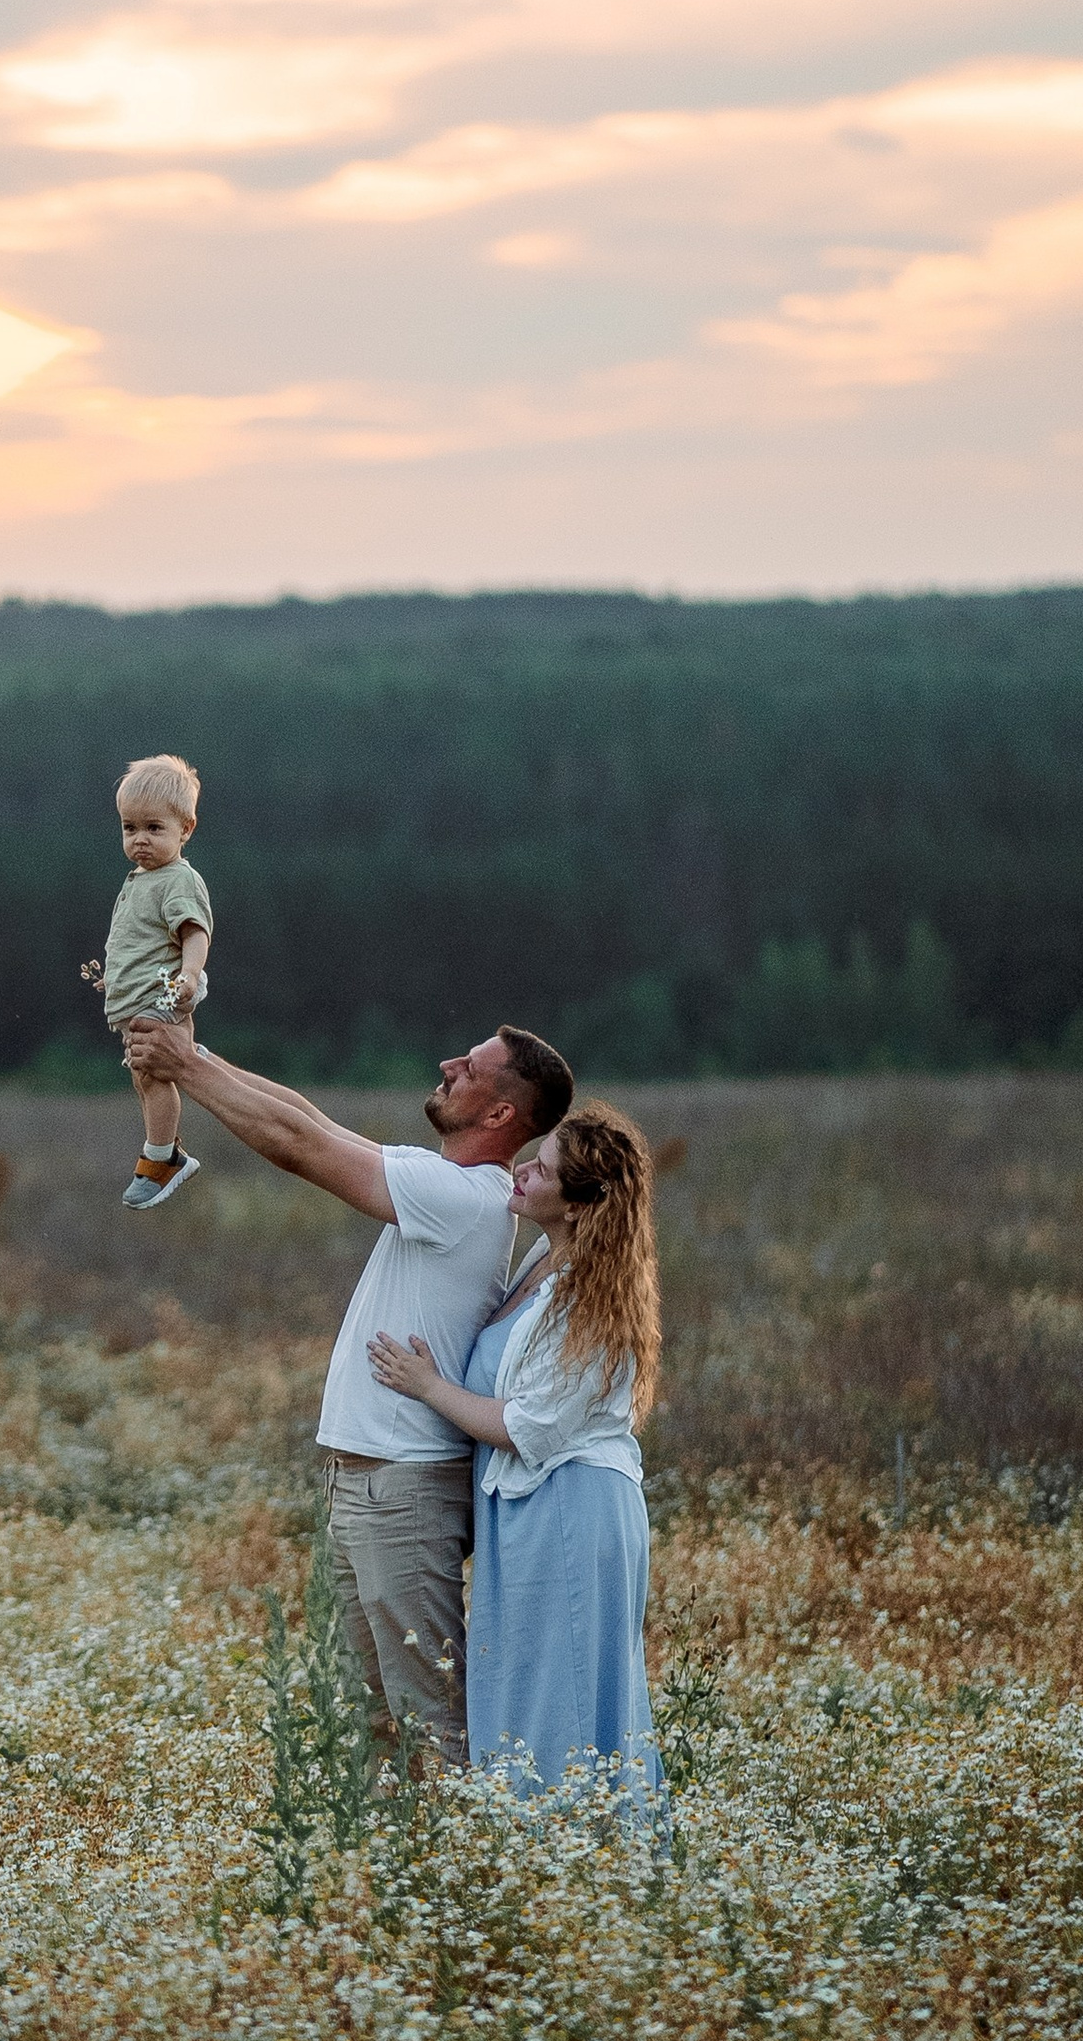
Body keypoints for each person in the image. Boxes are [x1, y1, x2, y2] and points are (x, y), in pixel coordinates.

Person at [117, 1006, 574, 1773]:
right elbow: (311, 1120)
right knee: (370, 1720)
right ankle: (380, 1885)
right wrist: (191, 1055)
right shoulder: (449, 1184)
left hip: (402, 1491)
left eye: (468, 1067)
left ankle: (460, 1875)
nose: (446, 1067)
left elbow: (299, 1147)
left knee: (426, 1719)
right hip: (368, 1483)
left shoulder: (461, 1197)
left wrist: (187, 1070)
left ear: (500, 1113)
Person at [371, 1103, 663, 1812]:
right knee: (528, 1684)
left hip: (569, 1510)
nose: (524, 1167)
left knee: (555, 1694)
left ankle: (573, 1861)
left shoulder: (590, 1298)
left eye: (545, 1168)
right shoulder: (543, 1260)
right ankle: (541, 1861)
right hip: (529, 1510)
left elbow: (526, 1427)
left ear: (579, 1202)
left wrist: (428, 1386)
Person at [83, 754, 214, 1210]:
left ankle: (162, 1159)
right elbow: (139, 942)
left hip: (164, 996)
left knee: (155, 1074)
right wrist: (115, 982)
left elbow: (193, 932)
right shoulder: (142, 879)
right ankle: (163, 1150)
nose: (139, 840)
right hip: (138, 998)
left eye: (154, 829)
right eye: (129, 828)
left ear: (186, 829)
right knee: (143, 1078)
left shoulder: (178, 880)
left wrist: (189, 975)